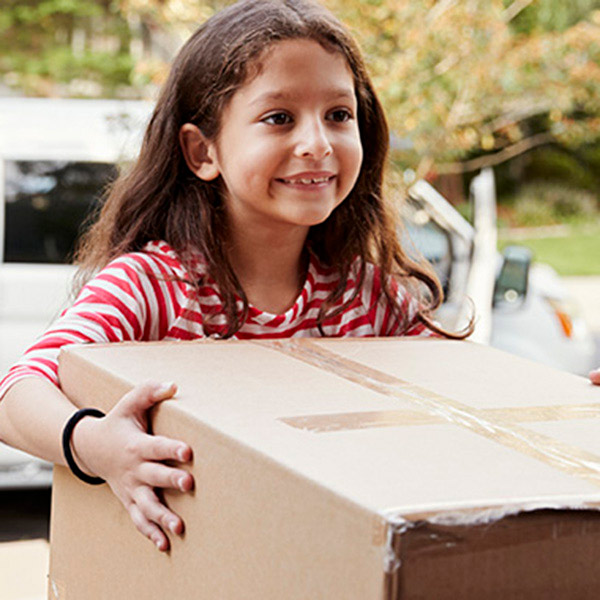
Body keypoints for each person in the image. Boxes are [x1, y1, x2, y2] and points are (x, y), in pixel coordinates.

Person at [0, 0, 592, 554]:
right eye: (279, 118)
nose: (317, 143)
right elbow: (15, 393)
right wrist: (95, 446)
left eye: (339, 115)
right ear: (202, 151)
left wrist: (566, 408)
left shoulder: (367, 297)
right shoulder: (154, 286)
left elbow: (459, 410)